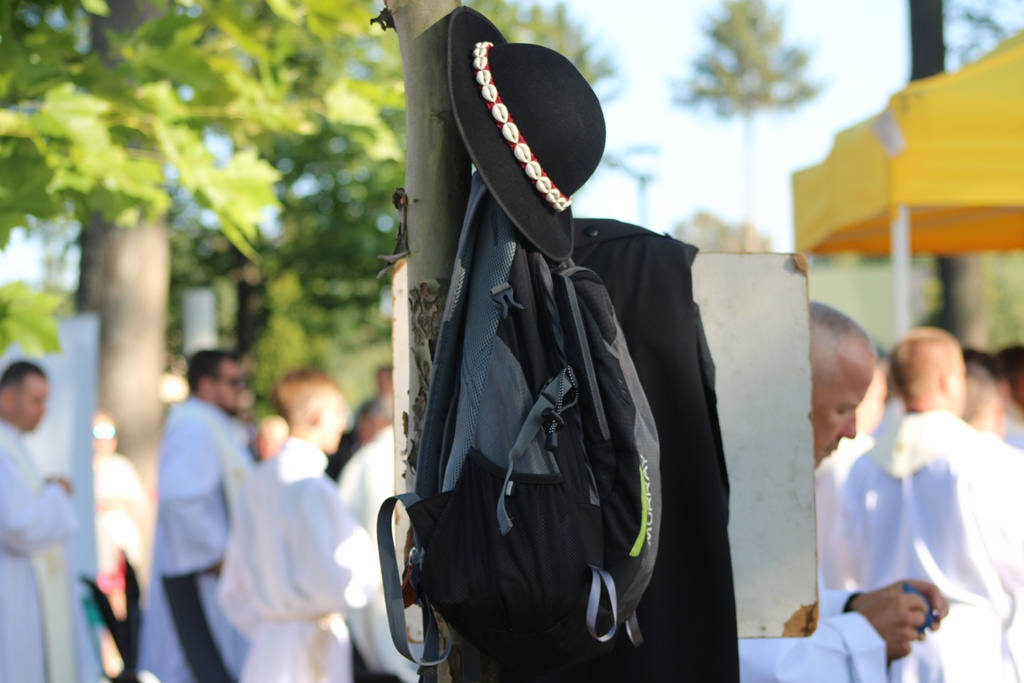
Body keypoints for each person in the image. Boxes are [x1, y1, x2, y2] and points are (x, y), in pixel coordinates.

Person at [739, 303, 948, 682]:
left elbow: (778, 623)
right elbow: (759, 661)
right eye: (842, 409)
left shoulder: (769, 481)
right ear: (792, 396)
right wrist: (866, 634)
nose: (852, 430)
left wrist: (856, 604)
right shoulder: (738, 495)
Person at [833, 327, 1024, 682]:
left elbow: (845, 563)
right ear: (948, 382)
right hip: (971, 653)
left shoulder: (864, 467)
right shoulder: (988, 459)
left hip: (887, 643)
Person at [217, 369, 378, 683]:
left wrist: (274, 622)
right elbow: (338, 578)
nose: (343, 424)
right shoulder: (311, 487)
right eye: (339, 413)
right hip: (312, 645)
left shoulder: (256, 482)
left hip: (268, 645)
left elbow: (233, 590)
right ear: (316, 416)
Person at [138, 350, 254, 683]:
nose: (241, 389)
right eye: (233, 381)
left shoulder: (212, 425)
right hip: (202, 579)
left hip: (216, 576)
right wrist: (217, 555)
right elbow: (179, 500)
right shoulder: (193, 427)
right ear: (206, 383)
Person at [0, 361, 97, 683]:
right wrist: (56, 493)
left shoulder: (13, 445)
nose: (44, 410)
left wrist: (47, 490)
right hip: (12, 589)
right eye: (36, 401)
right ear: (7, 399)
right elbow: (19, 527)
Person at [338, 398, 417, 683]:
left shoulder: (363, 461)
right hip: (408, 581)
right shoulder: (412, 452)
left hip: (375, 588)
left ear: (374, 422)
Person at [92, 410, 147, 675]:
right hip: (95, 551)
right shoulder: (85, 467)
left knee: (120, 603)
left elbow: (137, 503)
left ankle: (120, 657)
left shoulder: (121, 467)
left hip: (118, 547)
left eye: (108, 433)